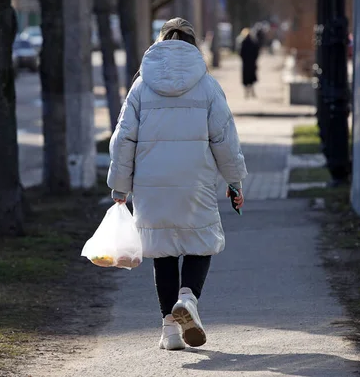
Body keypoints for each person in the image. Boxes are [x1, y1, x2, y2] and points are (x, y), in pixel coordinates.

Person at [107, 18, 247, 351]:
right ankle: (188, 298)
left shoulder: (140, 87)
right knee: (201, 242)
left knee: (163, 251)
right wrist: (235, 181)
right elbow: (224, 139)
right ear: (194, 46)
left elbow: (123, 138)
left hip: (150, 183)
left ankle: (170, 331)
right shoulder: (208, 86)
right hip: (195, 180)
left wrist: (120, 187)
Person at [240, 28, 260, 99]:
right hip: (252, 63)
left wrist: (244, 59)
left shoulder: (243, 42)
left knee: (246, 79)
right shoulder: (253, 42)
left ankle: (247, 93)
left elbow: (241, 53)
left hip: (245, 64)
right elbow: (257, 52)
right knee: (251, 78)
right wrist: (254, 59)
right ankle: (252, 92)